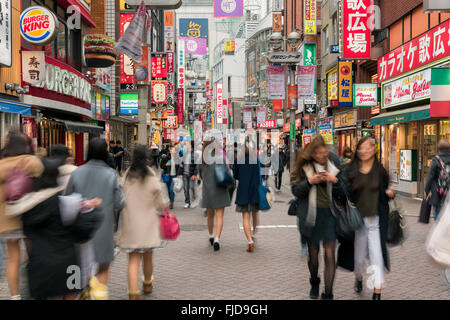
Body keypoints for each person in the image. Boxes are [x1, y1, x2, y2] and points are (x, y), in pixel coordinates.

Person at [7, 158, 102, 300]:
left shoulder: (27, 207)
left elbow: (26, 237)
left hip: (41, 265)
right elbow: (83, 231)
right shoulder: (66, 203)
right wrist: (93, 209)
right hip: (70, 264)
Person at [65, 138, 125, 300]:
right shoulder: (111, 174)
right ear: (105, 152)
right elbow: (119, 203)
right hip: (103, 227)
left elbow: (67, 199)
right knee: (103, 264)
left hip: (79, 227)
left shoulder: (76, 172)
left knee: (78, 264)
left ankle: (82, 288)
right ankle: (98, 292)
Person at [290, 135, 346, 300]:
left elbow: (344, 191)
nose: (322, 156)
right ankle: (314, 281)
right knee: (313, 255)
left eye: (324, 152)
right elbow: (295, 191)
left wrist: (334, 180)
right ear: (312, 153)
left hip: (330, 215)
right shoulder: (304, 165)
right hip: (310, 216)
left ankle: (328, 293)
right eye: (318, 153)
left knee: (329, 254)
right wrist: (310, 181)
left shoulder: (334, 162)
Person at [340, 136, 394, 300]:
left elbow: (386, 191)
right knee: (358, 258)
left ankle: (377, 291)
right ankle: (359, 277)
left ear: (374, 149)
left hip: (376, 221)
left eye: (368, 147)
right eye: (361, 148)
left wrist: (389, 194)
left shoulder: (380, 170)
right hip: (357, 222)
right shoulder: (350, 170)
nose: (364, 151)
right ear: (357, 150)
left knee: (377, 256)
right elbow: (343, 193)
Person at [117, 145, 168, 300]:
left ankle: (133, 292)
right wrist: (161, 208)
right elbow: (160, 201)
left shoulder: (126, 176)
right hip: (148, 223)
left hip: (130, 222)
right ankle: (147, 283)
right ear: (146, 157)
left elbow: (120, 196)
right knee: (148, 255)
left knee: (133, 259)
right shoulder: (150, 175)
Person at [0, 131, 44, 300]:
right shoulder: (29, 161)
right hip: (28, 216)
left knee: (13, 258)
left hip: (6, 219)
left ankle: (14, 295)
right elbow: (41, 174)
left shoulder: (1, 164)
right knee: (34, 255)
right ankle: (36, 290)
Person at [199, 139, 232, 251]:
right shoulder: (221, 158)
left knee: (210, 215)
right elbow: (228, 171)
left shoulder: (203, 159)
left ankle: (211, 235)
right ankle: (217, 238)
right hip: (220, 189)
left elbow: (201, 175)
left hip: (208, 190)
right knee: (219, 216)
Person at [233, 141, 260, 252]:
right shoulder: (256, 159)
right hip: (254, 190)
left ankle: (250, 241)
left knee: (245, 217)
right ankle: (253, 233)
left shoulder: (238, 161)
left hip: (243, 191)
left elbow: (236, 175)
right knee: (255, 214)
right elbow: (260, 173)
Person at [425, 139, 450, 220]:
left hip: (438, 192)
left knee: (438, 213)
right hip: (448, 192)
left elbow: (430, 176)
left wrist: (426, 190)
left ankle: (439, 228)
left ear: (439, 148)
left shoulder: (436, 159)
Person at [181, 141, 199, 209]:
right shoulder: (185, 153)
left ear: (191, 146)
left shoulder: (195, 154)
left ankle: (194, 200)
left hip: (191, 174)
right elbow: (182, 162)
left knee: (192, 188)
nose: (186, 146)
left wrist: (195, 174)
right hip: (185, 174)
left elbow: (197, 165)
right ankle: (187, 202)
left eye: (187, 144)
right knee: (186, 188)